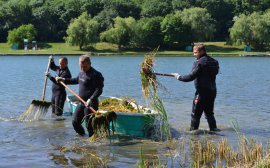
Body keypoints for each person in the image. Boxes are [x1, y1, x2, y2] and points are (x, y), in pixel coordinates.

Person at [171, 44, 220, 131]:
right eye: (193, 52)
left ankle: (193, 134)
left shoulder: (199, 62)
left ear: (202, 51)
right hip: (212, 91)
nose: (194, 54)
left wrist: (178, 77)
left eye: (195, 53)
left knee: (195, 115)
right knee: (209, 114)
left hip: (201, 93)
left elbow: (190, 77)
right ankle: (214, 131)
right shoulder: (214, 62)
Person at [56, 55, 104, 137]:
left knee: (90, 126)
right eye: (81, 66)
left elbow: (99, 89)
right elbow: (75, 80)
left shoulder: (96, 74)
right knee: (75, 122)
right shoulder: (81, 72)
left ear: (90, 64)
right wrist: (63, 79)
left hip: (91, 104)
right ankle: (83, 138)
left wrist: (91, 99)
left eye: (85, 66)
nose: (83, 68)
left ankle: (92, 144)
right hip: (81, 102)